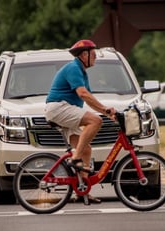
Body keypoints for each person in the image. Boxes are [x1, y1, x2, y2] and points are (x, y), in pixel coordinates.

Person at [45, 39, 116, 203]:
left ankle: (82, 190)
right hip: (59, 107)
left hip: (63, 108)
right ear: (84, 55)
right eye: (94, 53)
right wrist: (104, 112)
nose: (96, 56)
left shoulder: (82, 71)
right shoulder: (73, 68)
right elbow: (83, 94)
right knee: (95, 121)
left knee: (86, 150)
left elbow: (90, 99)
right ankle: (74, 158)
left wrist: (109, 113)